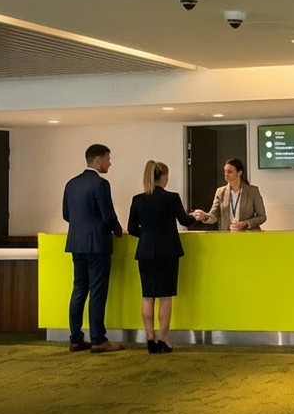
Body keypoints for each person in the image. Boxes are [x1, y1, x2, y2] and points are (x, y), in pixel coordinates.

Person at [127, 160, 197, 354]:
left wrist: (147, 236)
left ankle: (150, 338)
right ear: (163, 176)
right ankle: (164, 339)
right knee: (165, 297)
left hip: (146, 252)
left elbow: (132, 228)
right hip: (168, 252)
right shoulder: (171, 198)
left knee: (147, 296)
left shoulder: (138, 199)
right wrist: (196, 216)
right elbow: (185, 220)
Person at [62, 143, 124, 353]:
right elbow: (108, 215)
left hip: (76, 244)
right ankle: (98, 339)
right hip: (97, 245)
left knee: (79, 289)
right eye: (108, 158)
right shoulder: (100, 184)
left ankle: (75, 338)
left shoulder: (71, 184)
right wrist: (118, 231)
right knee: (97, 292)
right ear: (98, 160)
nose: (109, 163)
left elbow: (66, 214)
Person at [193, 158, 267, 231]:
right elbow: (214, 216)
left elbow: (262, 216)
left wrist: (246, 223)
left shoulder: (252, 191)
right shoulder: (220, 192)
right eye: (225, 171)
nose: (226, 174)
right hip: (227, 234)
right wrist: (204, 216)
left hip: (248, 235)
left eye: (229, 172)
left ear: (239, 173)